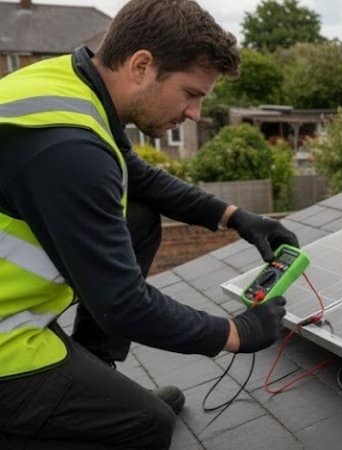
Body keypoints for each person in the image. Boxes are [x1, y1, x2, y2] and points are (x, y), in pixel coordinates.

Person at [0, 0, 298, 448]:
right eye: (191, 94)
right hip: (7, 337)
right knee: (147, 425)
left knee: (136, 215)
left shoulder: (70, 83)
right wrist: (235, 333)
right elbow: (123, 304)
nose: (195, 113)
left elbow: (133, 175)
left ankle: (96, 372)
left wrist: (234, 217)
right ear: (142, 66)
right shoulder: (67, 150)